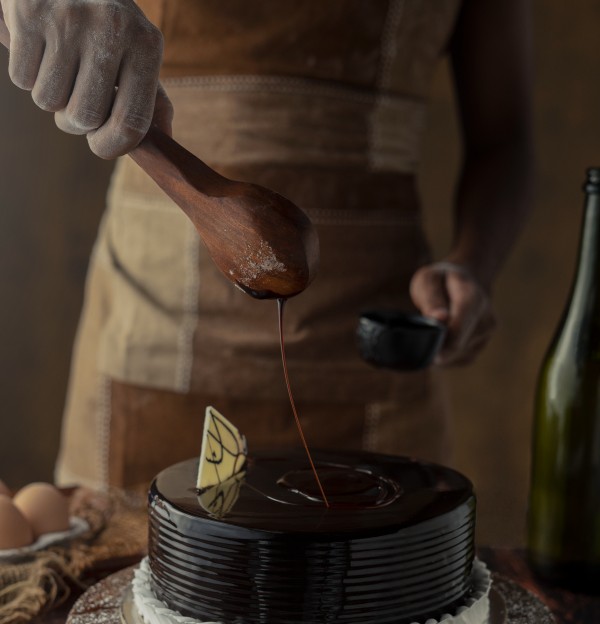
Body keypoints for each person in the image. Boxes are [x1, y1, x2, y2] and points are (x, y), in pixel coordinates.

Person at [3, 0, 533, 489]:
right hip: (144, 335)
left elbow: (503, 139)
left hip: (371, 371)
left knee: (377, 578)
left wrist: (471, 268)